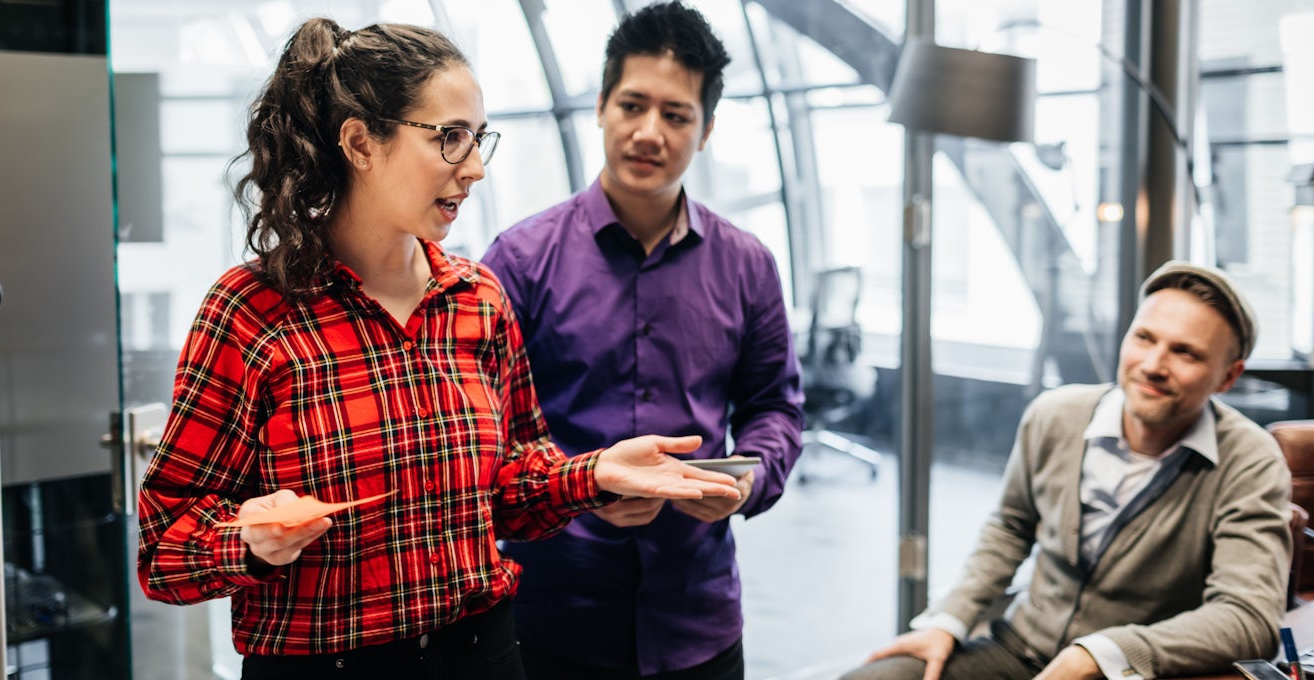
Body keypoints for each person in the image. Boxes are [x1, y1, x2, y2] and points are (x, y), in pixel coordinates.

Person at [134, 17, 742, 680]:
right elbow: (164, 548)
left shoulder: (478, 298)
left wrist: (593, 474)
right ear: (362, 143)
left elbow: (510, 490)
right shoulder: (252, 314)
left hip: (485, 655)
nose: (476, 168)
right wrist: (246, 542)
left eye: (479, 140)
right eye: (450, 139)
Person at [481, 3, 804, 678]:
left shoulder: (748, 264)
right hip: (552, 612)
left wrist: (745, 480)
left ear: (706, 129)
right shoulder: (519, 260)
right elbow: (482, 430)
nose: (649, 132)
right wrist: (579, 483)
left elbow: (775, 409)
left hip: (698, 616)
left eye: (677, 115)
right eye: (633, 105)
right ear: (601, 106)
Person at [844, 261, 1291, 680]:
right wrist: (950, 618)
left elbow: (1248, 617)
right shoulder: (1055, 415)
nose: (1153, 365)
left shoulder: (1250, 460)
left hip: (1127, 671)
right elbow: (1010, 528)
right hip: (1017, 649)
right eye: (1144, 338)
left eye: (1185, 353)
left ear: (1229, 376)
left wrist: (1102, 653)